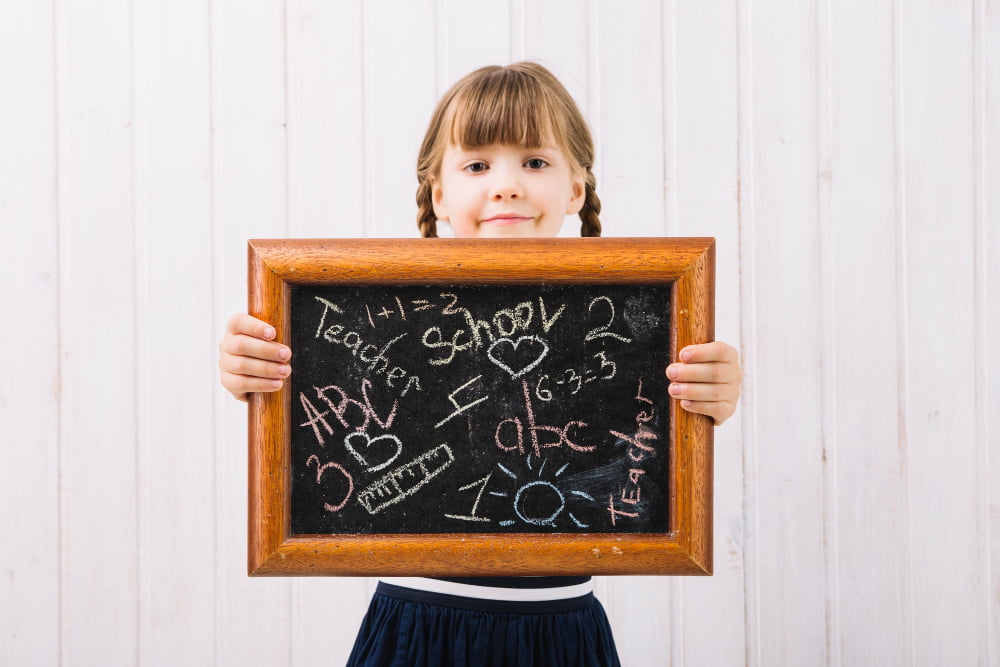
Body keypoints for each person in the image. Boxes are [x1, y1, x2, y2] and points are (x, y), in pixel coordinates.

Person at [220, 62, 741, 666]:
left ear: (576, 188)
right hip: (417, 628)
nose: (508, 185)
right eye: (477, 165)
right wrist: (250, 367)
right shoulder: (380, 320)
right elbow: (296, 381)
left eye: (536, 162)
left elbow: (666, 419)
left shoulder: (625, 322)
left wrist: (713, 389)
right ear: (439, 193)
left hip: (563, 632)